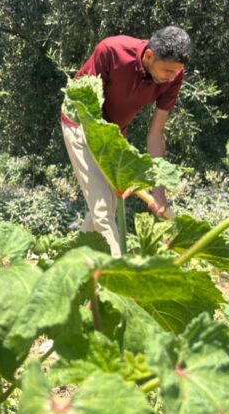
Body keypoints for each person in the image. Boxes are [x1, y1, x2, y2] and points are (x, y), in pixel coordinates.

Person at [60, 26, 192, 256]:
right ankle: (118, 272)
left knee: (109, 203)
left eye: (176, 72)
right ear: (149, 55)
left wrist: (158, 191)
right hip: (80, 123)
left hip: (113, 134)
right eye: (167, 71)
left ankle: (72, 261)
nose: (171, 77)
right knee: (103, 206)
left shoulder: (174, 77)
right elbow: (83, 103)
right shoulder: (112, 50)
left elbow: (155, 134)